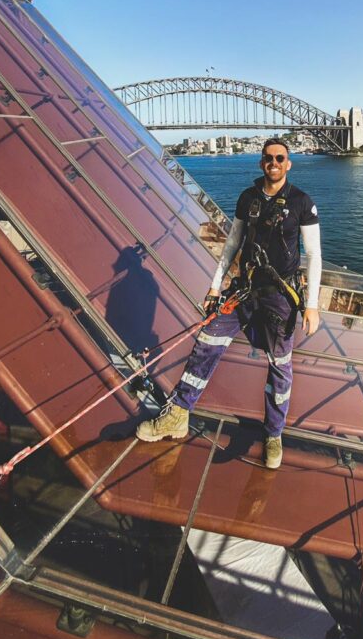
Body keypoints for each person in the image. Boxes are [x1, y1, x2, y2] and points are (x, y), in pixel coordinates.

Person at [137, 138, 322, 469]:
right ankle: (177, 415)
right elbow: (232, 244)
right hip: (244, 291)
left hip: (280, 299)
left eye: (280, 158)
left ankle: (273, 435)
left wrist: (312, 305)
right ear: (261, 162)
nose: (274, 162)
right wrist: (213, 287)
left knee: (280, 366)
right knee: (207, 342)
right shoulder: (248, 198)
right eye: (268, 158)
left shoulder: (301, 202)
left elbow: (315, 255)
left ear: (288, 164)